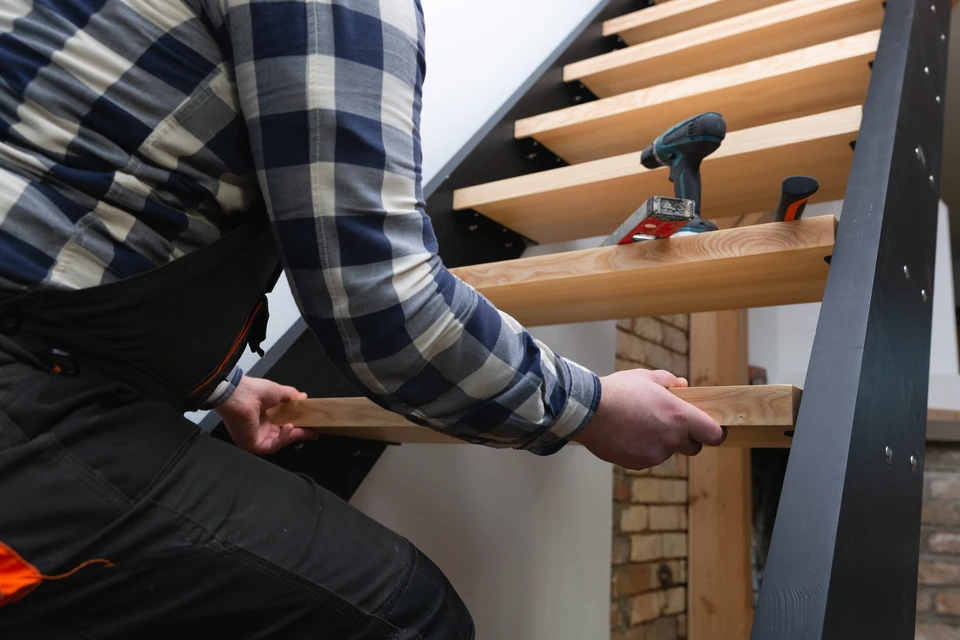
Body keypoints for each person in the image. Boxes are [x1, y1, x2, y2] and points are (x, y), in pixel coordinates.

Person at [0, 0, 725, 637]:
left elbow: (87, 212)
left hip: (47, 358)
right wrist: (589, 408)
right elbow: (384, 311)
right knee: (404, 617)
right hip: (25, 391)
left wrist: (221, 385)